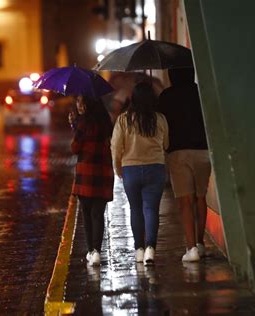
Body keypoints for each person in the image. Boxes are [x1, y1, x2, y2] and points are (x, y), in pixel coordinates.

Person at [110, 82, 169, 266]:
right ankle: (151, 248)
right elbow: (166, 144)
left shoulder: (123, 120)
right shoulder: (160, 119)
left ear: (132, 99)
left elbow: (116, 147)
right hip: (155, 168)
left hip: (131, 170)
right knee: (151, 209)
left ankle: (139, 249)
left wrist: (118, 168)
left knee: (135, 209)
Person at [157, 67, 211, 262]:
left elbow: (160, 123)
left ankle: (191, 249)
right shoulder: (201, 91)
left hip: (178, 153)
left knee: (185, 202)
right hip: (203, 151)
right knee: (200, 198)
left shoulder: (166, 96)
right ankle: (200, 243)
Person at [68, 95, 114, 266]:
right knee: (98, 214)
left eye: (81, 101)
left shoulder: (83, 123)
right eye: (78, 101)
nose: (78, 105)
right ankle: (97, 251)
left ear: (88, 104)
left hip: (86, 175)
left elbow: (75, 147)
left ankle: (91, 251)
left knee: (86, 214)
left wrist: (74, 125)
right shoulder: (105, 122)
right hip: (103, 172)